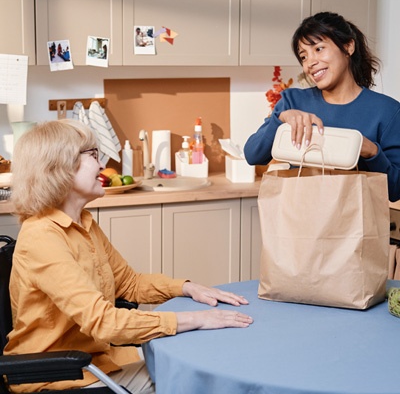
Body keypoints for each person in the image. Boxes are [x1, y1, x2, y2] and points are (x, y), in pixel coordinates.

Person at [5, 119, 253, 393]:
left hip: (98, 359)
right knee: (187, 380)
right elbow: (104, 322)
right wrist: (196, 319)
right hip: (59, 374)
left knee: (190, 362)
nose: (102, 165)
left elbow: (129, 284)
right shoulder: (42, 236)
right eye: (93, 155)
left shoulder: (83, 222)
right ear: (60, 166)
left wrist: (186, 288)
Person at [244, 12, 400, 202]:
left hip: (355, 229)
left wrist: (371, 152)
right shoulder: (293, 102)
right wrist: (281, 119)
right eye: (303, 56)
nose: (310, 62)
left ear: (348, 46)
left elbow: (395, 190)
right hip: (300, 224)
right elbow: (253, 155)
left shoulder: (387, 111)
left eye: (318, 49)